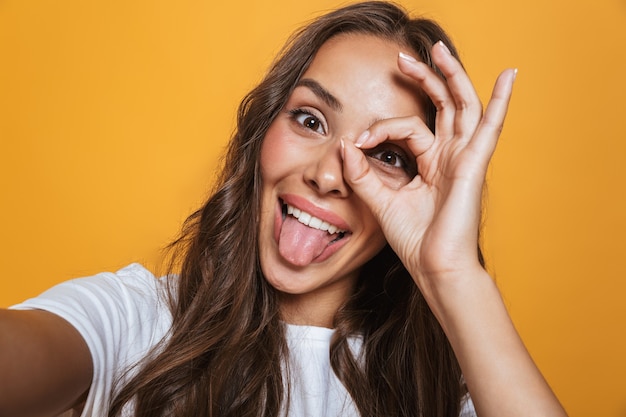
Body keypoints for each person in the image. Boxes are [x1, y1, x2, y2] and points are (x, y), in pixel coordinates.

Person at [0, 2, 568, 417]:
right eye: (311, 120)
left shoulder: (448, 396)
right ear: (262, 129)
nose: (326, 174)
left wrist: (453, 272)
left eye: (387, 154)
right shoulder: (135, 324)